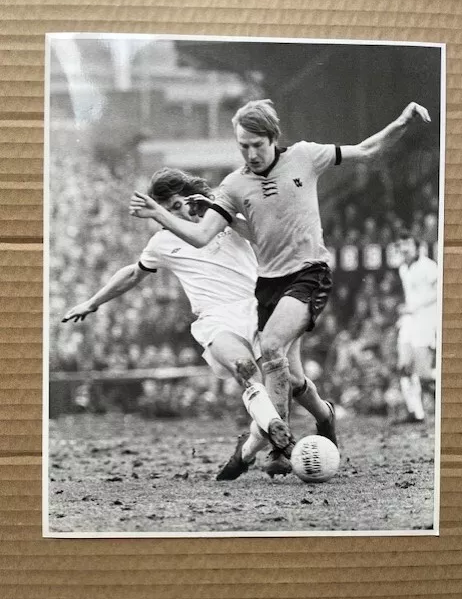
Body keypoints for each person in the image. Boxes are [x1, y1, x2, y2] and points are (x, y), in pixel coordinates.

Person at [130, 99, 431, 472]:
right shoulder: (234, 185)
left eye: (258, 144)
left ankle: (274, 448)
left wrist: (401, 121)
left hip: (310, 273)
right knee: (290, 374)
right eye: (243, 146)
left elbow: (367, 150)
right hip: (268, 286)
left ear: (274, 138)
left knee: (270, 347)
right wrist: (161, 213)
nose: (251, 153)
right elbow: (201, 236)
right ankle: (325, 418)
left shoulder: (306, 156)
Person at [62, 167, 310, 480]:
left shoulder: (221, 215)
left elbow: (262, 236)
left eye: (178, 205)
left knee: (281, 389)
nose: (176, 214)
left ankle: (248, 452)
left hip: (260, 308)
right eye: (166, 211)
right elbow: (132, 273)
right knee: (246, 370)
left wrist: (223, 214)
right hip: (216, 317)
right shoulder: (162, 242)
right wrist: (93, 302)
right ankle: (280, 440)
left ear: (191, 196)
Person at [395, 230, 438, 424]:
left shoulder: (429, 267)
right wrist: (406, 311)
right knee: (404, 366)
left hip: (426, 321)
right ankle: (415, 412)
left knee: (424, 374)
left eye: (408, 245)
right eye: (401, 245)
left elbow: (439, 292)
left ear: (416, 247)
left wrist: (417, 306)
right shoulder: (403, 269)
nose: (404, 249)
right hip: (410, 321)